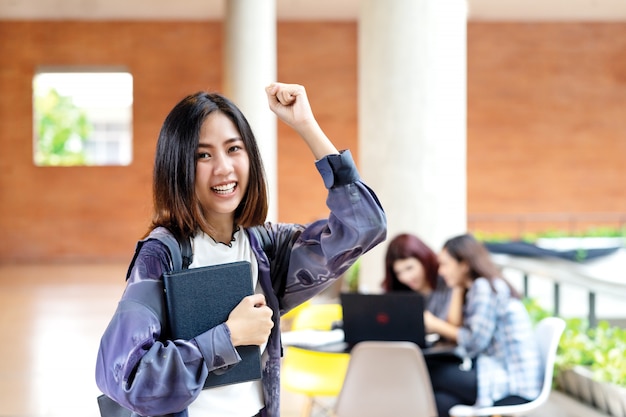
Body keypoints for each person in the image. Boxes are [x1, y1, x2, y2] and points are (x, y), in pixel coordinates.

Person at [95, 82, 387, 417]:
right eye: (202, 155)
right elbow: (127, 377)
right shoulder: (162, 256)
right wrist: (228, 336)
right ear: (177, 166)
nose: (223, 168)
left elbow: (365, 227)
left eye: (234, 149)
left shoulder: (266, 248)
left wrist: (307, 126)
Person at [424, 233, 542, 417]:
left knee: (427, 369)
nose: (440, 271)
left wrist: (434, 324)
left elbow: (473, 342)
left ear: (464, 264)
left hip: (512, 383)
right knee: (441, 401)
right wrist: (457, 286)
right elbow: (457, 326)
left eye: (445, 264)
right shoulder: (477, 287)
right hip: (497, 374)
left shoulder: (484, 287)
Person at [381, 233, 454, 320]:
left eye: (409, 268)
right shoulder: (399, 293)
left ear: (423, 259)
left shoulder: (448, 281)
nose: (406, 277)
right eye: (398, 273)